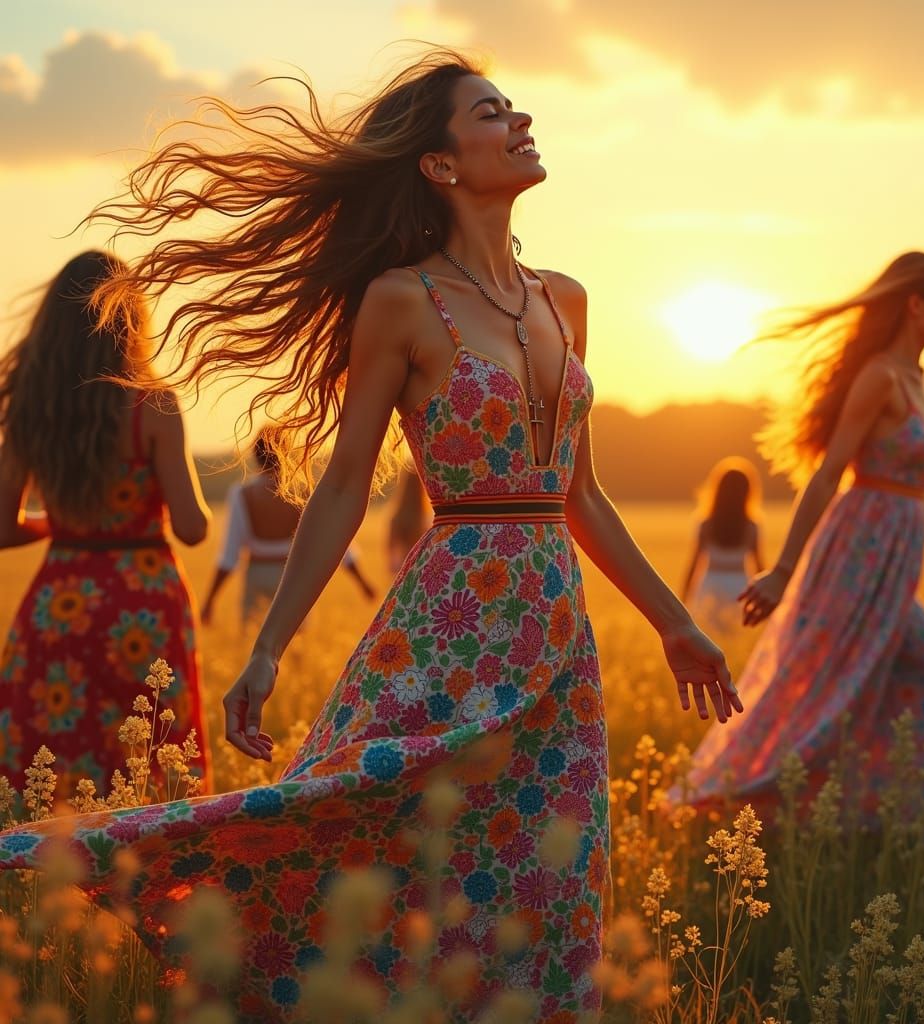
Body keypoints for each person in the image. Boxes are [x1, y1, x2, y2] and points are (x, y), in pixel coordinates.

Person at [0, 53, 740, 1022]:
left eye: (514, 106)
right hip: (448, 618)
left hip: (557, 633)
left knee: (554, 883)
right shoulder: (401, 300)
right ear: (438, 165)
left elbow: (582, 496)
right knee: (377, 836)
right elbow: (346, 484)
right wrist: (267, 650)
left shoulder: (568, 299)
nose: (519, 119)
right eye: (489, 112)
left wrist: (675, 623)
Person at [689, 251, 924, 821]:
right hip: (855, 560)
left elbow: (911, 494)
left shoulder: (921, 381)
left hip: (897, 565)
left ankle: (881, 818)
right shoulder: (880, 377)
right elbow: (828, 475)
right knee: (828, 691)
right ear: (915, 304)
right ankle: (733, 801)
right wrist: (783, 570)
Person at [0, 250, 213, 799]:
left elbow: (3, 528)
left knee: (55, 769)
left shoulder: (31, 407)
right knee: (144, 767)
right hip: (143, 603)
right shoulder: (154, 406)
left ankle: (46, 880)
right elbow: (191, 528)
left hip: (60, 601)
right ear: (131, 320)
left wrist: (65, 528)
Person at [201, 426, 376, 626]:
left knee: (253, 643)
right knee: (295, 645)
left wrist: (209, 600)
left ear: (255, 455)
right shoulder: (302, 493)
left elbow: (229, 555)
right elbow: (332, 540)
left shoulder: (242, 494)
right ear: (288, 453)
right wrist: (362, 582)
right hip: (294, 578)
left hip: (257, 573)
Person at [680, 456, 764, 630]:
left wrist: (682, 598)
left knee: (710, 635)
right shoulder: (751, 526)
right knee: (737, 634)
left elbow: (694, 563)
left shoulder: (705, 524)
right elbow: (759, 566)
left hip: (710, 586)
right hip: (740, 589)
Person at [386, 465, 433, 573]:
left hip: (404, 569)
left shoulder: (397, 517)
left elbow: (391, 552)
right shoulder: (429, 517)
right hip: (425, 568)